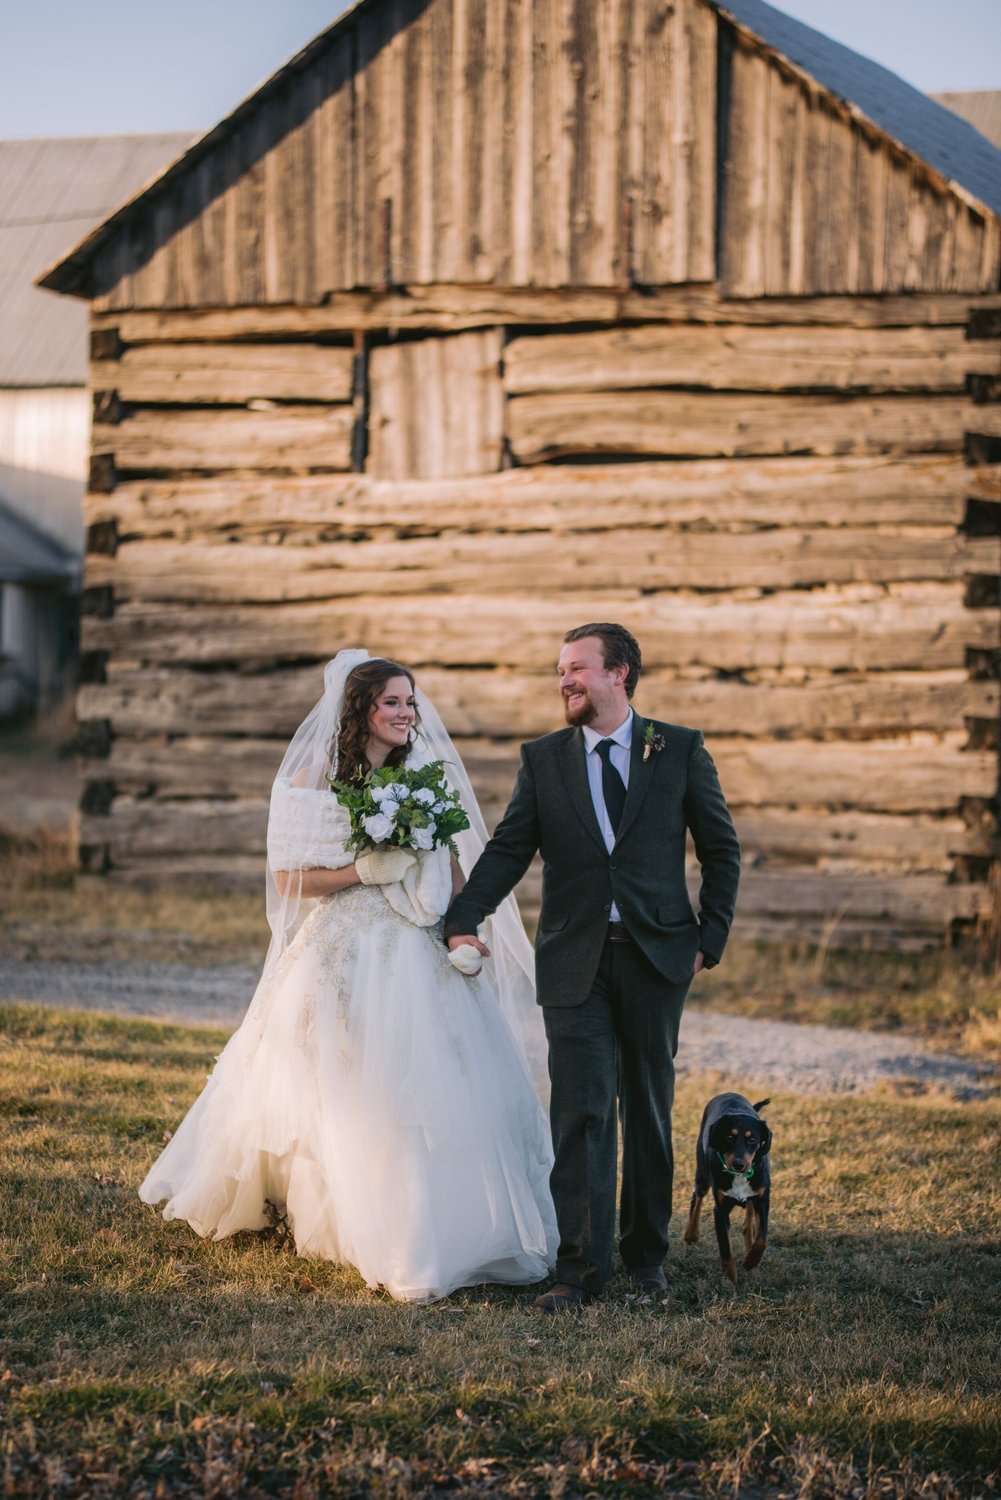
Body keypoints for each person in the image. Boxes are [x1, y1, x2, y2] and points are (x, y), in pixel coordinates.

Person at [140, 650, 557, 1303]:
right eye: (392, 701)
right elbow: (289, 880)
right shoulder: (314, 779)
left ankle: (439, 1226)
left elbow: (451, 869)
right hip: (346, 945)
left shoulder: (424, 778)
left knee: (432, 1085)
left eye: (410, 702)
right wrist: (360, 871)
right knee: (345, 1078)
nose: (406, 713)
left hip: (417, 943)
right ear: (359, 709)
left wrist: (461, 928)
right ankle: (344, 1211)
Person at [445, 623, 740, 1312]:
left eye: (576, 668)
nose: (565, 681)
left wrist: (710, 936)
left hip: (657, 957)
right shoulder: (544, 759)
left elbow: (720, 849)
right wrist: (464, 916)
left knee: (647, 1109)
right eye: (560, 671)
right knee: (580, 1113)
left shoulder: (679, 748)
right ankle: (577, 1270)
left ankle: (646, 1257)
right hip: (573, 958)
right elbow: (509, 848)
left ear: (619, 673)